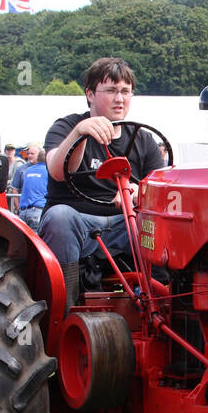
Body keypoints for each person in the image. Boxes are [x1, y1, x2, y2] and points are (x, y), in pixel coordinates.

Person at [39, 56, 165, 312]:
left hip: (124, 225)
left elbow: (161, 188)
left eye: (125, 92)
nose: (119, 99)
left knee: (162, 224)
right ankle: (65, 310)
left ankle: (164, 303)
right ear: (90, 94)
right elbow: (57, 170)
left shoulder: (144, 139)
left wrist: (136, 192)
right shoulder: (66, 127)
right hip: (79, 224)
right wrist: (80, 133)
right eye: (111, 91)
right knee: (60, 217)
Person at [17, 148, 48, 229]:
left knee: (23, 240)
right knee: (36, 239)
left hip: (23, 211)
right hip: (38, 210)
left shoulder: (28, 170)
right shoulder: (48, 171)